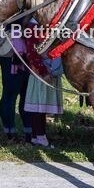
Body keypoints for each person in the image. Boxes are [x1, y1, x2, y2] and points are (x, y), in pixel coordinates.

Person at [22, 19, 62, 147]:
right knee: (39, 106)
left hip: (48, 71)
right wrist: (43, 71)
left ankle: (36, 136)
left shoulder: (48, 24)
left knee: (40, 107)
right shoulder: (33, 26)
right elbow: (32, 52)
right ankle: (40, 136)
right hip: (42, 73)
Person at [0, 20, 29, 140]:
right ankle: (9, 130)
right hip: (9, 55)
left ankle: (29, 130)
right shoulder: (9, 5)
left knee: (27, 93)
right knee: (10, 92)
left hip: (31, 54)